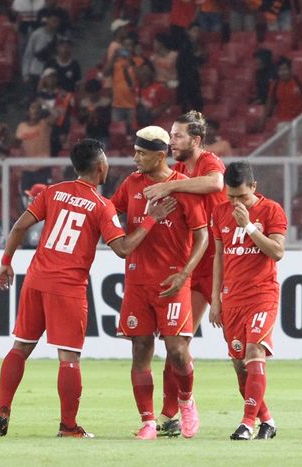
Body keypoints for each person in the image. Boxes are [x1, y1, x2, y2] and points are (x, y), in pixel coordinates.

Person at [0, 138, 176, 438]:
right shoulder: (102, 206)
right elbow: (124, 248)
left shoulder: (52, 192)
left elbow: (19, 227)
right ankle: (68, 426)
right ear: (100, 167)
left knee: (20, 347)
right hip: (67, 286)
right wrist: (152, 219)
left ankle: (2, 409)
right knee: (68, 358)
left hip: (36, 280)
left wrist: (6, 262)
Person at [113, 126, 208, 440]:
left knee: (177, 351)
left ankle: (186, 400)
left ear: (159, 154)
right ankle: (148, 421)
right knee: (140, 348)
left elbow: (203, 236)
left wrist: (185, 274)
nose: (135, 157)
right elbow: (110, 212)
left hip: (172, 281)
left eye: (141, 152)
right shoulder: (131, 184)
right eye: (135, 151)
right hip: (137, 280)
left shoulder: (182, 187)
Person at [143, 112, 227, 436]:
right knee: (176, 342)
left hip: (220, 262)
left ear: (195, 140)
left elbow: (216, 183)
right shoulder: (175, 169)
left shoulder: (208, 162)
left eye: (177, 136)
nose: (171, 141)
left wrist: (173, 185)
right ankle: (172, 413)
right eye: (171, 135)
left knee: (242, 345)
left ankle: (258, 414)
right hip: (189, 260)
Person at [209, 160, 287, 440]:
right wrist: (215, 299)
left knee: (255, 354)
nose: (235, 202)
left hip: (262, 294)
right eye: (230, 196)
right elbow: (218, 256)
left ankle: (245, 423)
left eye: (241, 196)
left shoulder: (271, 210)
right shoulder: (219, 212)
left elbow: (277, 252)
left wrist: (250, 228)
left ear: (253, 187)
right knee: (240, 365)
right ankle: (266, 420)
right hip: (232, 299)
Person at [264, 56, 302, 125]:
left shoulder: (299, 81)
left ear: (290, 70)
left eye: (285, 69)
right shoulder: (274, 85)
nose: (283, 73)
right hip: (283, 121)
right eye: (280, 70)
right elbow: (269, 102)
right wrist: (264, 120)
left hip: (301, 119)